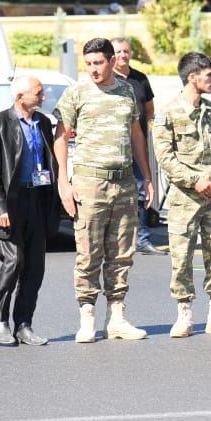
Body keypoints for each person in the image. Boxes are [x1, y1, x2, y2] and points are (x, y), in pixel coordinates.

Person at [53, 38, 155, 343]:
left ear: (112, 61)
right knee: (88, 252)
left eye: (99, 63)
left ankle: (117, 317)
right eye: (89, 64)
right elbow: (60, 136)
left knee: (122, 252)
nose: (94, 70)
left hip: (123, 182)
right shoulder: (77, 93)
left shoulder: (126, 90)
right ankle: (87, 317)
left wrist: (147, 178)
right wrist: (63, 181)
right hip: (89, 182)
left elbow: (136, 134)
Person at [153, 52, 211, 338]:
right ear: (193, 77)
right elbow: (165, 157)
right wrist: (194, 180)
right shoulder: (168, 112)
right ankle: (184, 314)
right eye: (209, 75)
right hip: (185, 198)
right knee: (181, 257)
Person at [0, 75, 58, 347]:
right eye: (38, 93)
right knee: (14, 262)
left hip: (37, 199)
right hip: (10, 205)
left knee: (35, 266)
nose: (43, 97)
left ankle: (24, 324)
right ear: (20, 97)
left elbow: (50, 163)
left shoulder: (43, 123)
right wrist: (0, 207)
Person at [112, 37, 158, 255]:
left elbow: (149, 110)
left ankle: (142, 238)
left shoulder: (140, 78)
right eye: (119, 52)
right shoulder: (107, 80)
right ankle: (117, 239)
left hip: (138, 145)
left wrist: (152, 134)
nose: (123, 55)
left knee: (141, 191)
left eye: (126, 51)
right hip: (114, 147)